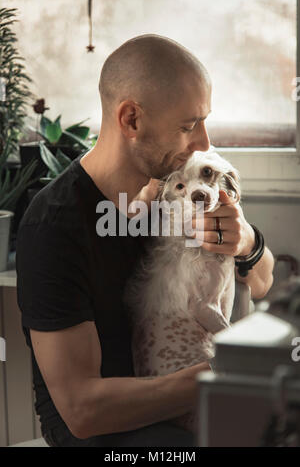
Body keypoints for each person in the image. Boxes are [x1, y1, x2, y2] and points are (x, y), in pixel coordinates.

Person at [16, 34, 274, 447]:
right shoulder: (54, 227)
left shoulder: (177, 189)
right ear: (132, 120)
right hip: (110, 430)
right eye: (188, 126)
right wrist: (230, 370)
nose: (204, 143)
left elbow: (262, 282)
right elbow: (83, 411)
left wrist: (246, 243)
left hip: (188, 392)